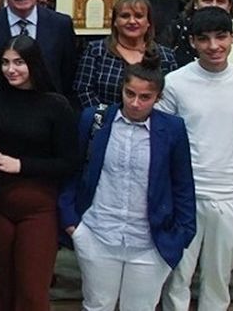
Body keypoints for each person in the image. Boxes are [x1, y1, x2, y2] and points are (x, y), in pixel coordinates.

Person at [156, 7, 233, 311]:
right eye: (204, 39)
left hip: (232, 196)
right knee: (177, 276)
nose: (214, 46)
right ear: (193, 42)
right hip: (186, 195)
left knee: (218, 279)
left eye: (221, 37)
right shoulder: (175, 82)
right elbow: (167, 139)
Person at [59, 61, 198, 311]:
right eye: (130, 94)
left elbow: (182, 184)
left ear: (158, 97)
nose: (135, 103)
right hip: (97, 233)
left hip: (150, 241)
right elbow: (73, 170)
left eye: (145, 97)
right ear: (121, 89)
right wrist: (72, 223)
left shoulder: (173, 128)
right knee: (97, 305)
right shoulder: (95, 120)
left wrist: (183, 233)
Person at [0, 36, 80, 310]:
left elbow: (70, 162)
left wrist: (21, 165)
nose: (11, 69)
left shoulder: (56, 105)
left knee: (32, 291)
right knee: (0, 286)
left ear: (33, 63)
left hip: (38, 208)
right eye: (5, 62)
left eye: (19, 62)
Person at [75, 0, 180, 110]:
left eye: (139, 16)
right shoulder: (96, 50)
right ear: (115, 21)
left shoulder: (166, 56)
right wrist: (105, 118)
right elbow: (83, 89)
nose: (132, 21)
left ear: (148, 22)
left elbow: (169, 95)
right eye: (125, 16)